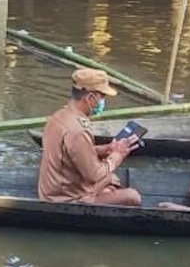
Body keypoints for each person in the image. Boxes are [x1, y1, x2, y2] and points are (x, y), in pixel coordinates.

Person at [38, 69, 141, 206]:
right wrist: (117, 155)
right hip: (65, 199)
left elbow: (72, 152)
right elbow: (94, 174)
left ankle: (103, 193)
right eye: (102, 96)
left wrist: (106, 149)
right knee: (132, 197)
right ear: (89, 98)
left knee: (111, 179)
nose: (103, 101)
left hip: (53, 189)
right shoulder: (78, 131)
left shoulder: (58, 116)